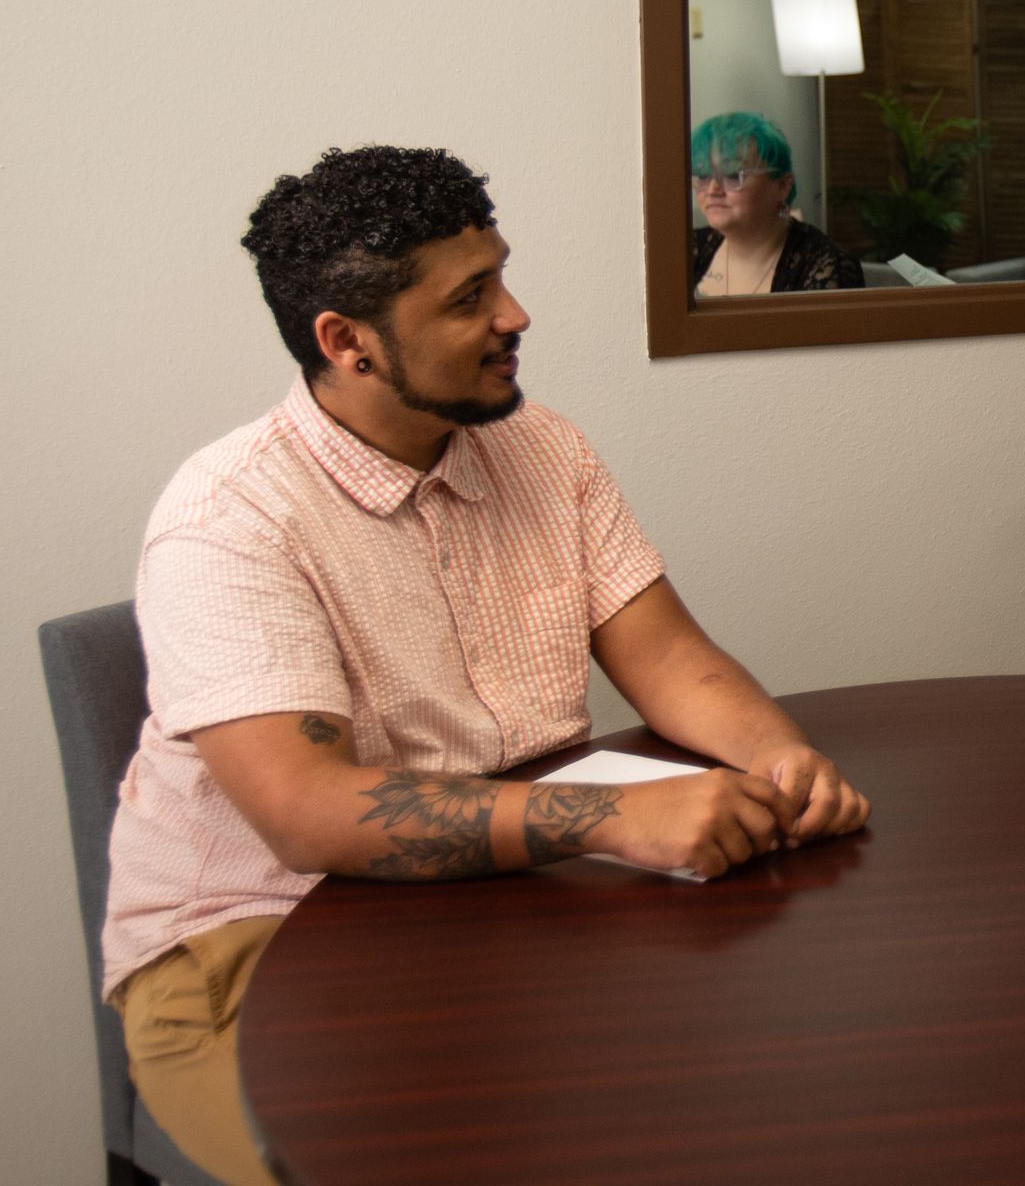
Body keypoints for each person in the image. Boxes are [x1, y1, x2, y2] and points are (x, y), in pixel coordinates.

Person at [103, 146, 871, 1186]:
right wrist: (612, 818)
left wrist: (784, 761)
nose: (516, 314)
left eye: (500, 275)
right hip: (253, 945)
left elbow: (672, 658)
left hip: (500, 895)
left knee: (746, 1100)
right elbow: (306, 811)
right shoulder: (226, 519)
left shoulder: (545, 449)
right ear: (348, 342)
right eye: (471, 297)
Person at [689, 110, 861, 296]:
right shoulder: (688, 247)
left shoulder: (827, 265)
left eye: (732, 174)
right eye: (703, 176)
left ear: (783, 185)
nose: (713, 189)